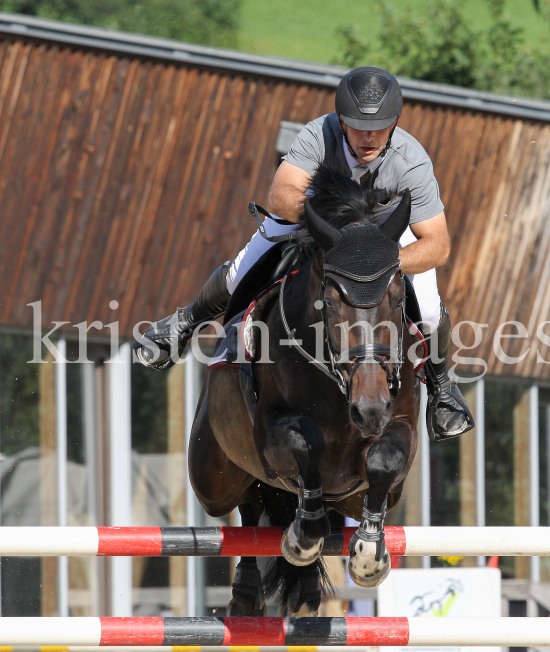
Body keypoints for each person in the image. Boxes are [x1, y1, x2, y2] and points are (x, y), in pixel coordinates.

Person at [134, 66, 473, 440]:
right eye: (358, 125)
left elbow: (438, 245)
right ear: (341, 121)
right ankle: (184, 324)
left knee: (426, 307)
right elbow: (280, 195)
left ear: (395, 122)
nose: (369, 136)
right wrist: (331, 225)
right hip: (320, 222)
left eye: (380, 126)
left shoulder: (412, 161)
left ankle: (442, 388)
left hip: (386, 239)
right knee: (240, 272)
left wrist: (379, 262)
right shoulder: (318, 134)